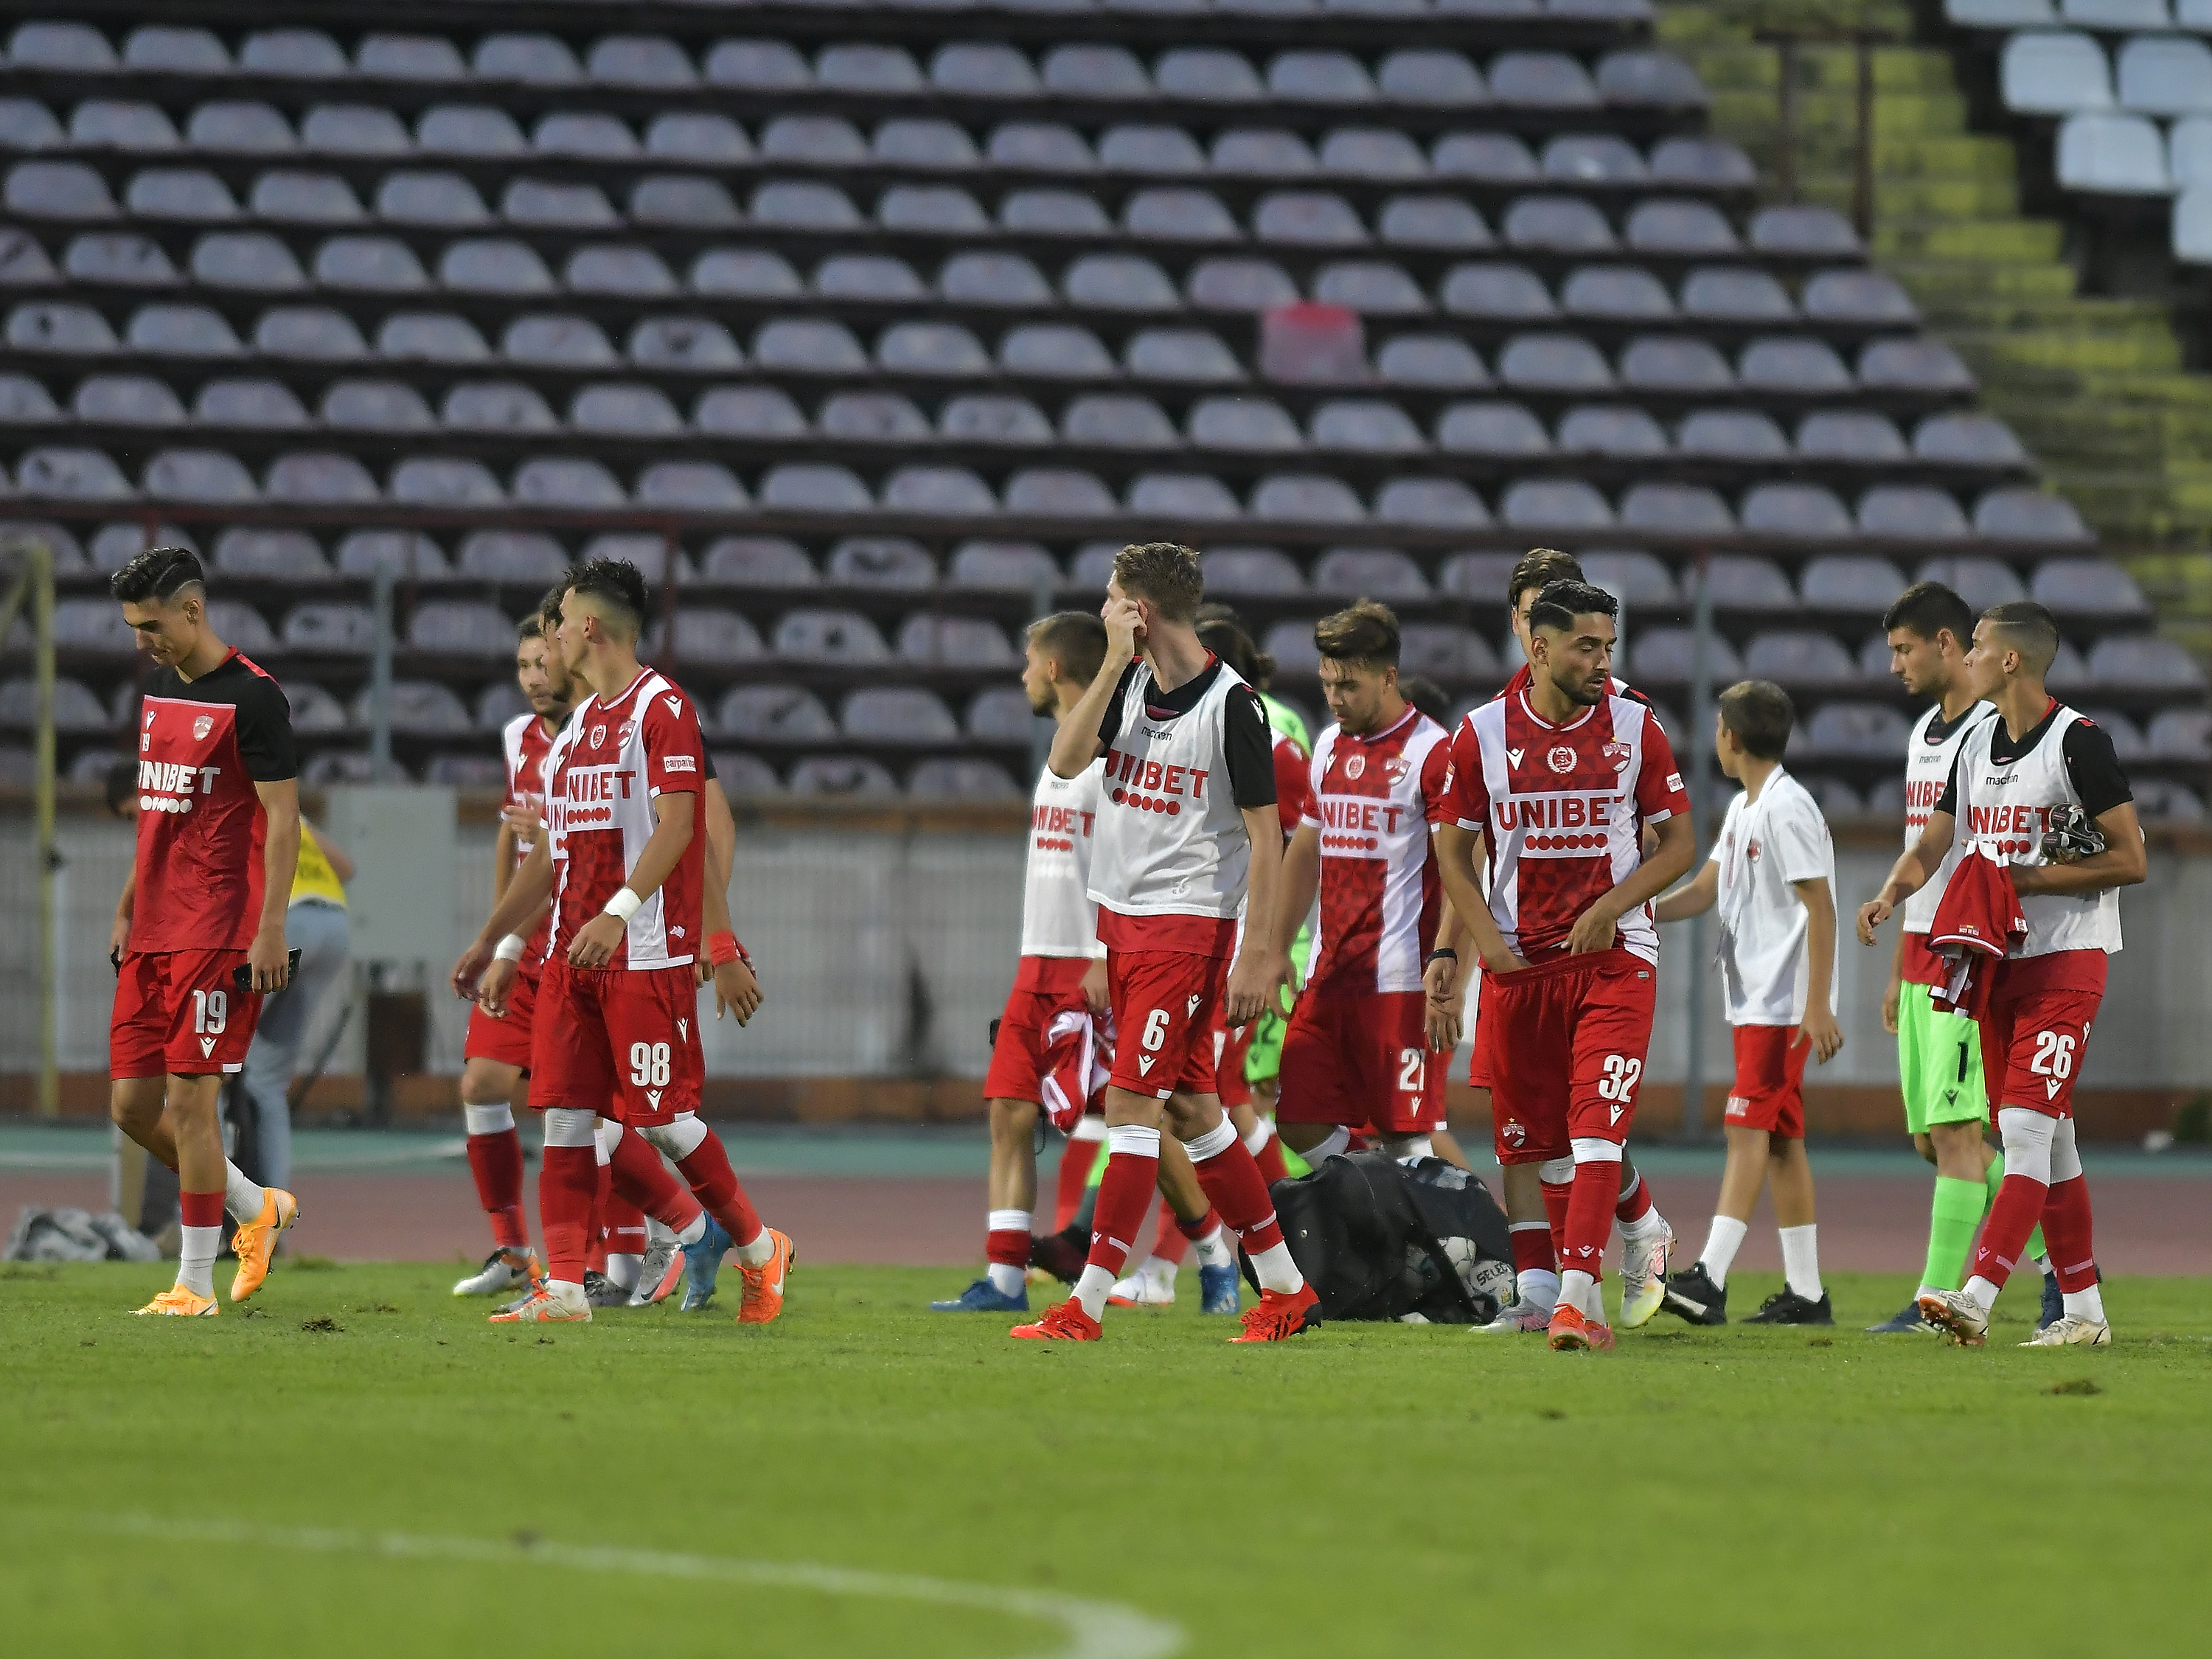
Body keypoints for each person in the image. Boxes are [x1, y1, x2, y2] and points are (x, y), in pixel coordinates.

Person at [453, 559, 787, 1326]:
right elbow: (551, 858)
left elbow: (685, 824)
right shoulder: (575, 734)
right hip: (574, 959)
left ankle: (761, 1249)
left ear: (591, 628)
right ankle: (567, 1290)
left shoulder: (661, 709)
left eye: (561, 622)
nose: (554, 635)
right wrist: (491, 940)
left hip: (644, 955)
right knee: (568, 1120)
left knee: (664, 1121)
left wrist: (627, 911)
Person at [1015, 541, 1318, 1343]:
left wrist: (1260, 953)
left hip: (1187, 931)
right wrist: (1114, 663)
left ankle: (1083, 1306)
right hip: (1126, 924)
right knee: (1194, 1108)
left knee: (1132, 1106)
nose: (1106, 610)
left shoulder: (1235, 708)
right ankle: (1286, 1288)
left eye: (1116, 599)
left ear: (1140, 610)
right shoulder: (1129, 684)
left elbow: (1267, 837)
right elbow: (1066, 758)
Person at [1857, 602, 2143, 1347]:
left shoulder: (2079, 744)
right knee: (2053, 1145)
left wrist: (2037, 877)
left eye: (1979, 645)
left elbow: (2130, 858)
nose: (1970, 655)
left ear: (2010, 660)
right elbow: (1936, 838)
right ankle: (2084, 1312)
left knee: (2019, 1129)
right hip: (1998, 964)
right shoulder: (1976, 742)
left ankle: (1977, 1294)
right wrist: (1893, 892)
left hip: (2067, 960)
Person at [1432, 580, 1694, 1352]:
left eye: (1609, 646)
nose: (1602, 660)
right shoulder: (1480, 733)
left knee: (1594, 1135)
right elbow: (1451, 849)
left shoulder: (1636, 725)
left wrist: (1614, 906)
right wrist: (1482, 943)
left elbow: (1677, 842)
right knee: (1534, 1146)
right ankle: (1582, 1269)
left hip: (1617, 960)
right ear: (1539, 647)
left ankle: (1577, 1301)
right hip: (1523, 966)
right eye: (1588, 645)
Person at [105, 546, 301, 1315]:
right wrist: (128, 901)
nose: (143, 641)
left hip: (219, 929)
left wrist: (271, 925)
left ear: (193, 609)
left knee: (192, 1106)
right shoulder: (157, 688)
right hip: (153, 925)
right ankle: (255, 1206)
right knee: (130, 1107)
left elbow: (283, 819)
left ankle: (194, 1284)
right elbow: (160, 810)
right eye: (133, 627)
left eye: (151, 624)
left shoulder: (256, 700)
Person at [1860, 583, 2054, 1335]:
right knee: (1935, 1141)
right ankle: (2063, 1269)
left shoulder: (1993, 730)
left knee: (1958, 1138)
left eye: (1905, 649)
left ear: (1949, 644)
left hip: (1964, 957)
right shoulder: (1924, 733)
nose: (1896, 665)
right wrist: (1895, 968)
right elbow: (1926, 844)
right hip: (1918, 953)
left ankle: (1935, 1296)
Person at [931, 611, 1130, 1314]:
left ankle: (1212, 1254)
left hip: (1087, 968)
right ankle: (1006, 1280)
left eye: (1027, 661)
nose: (1021, 674)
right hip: (1036, 966)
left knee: (1148, 1128)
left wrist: (1107, 952)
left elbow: (1125, 864)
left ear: (1053, 668)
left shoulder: (1109, 756)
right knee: (1009, 1116)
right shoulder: (1061, 750)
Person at [1653, 682, 1843, 1326]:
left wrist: (1817, 1006)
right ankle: (1807, 1293)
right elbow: (1707, 888)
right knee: (1783, 1143)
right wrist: (1640, 910)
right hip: (1759, 998)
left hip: (1783, 1003)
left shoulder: (1787, 808)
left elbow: (1821, 906)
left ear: (1730, 737)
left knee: (1745, 1128)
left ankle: (1710, 1275)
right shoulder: (1744, 808)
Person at [1273, 602, 1456, 1164]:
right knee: (1297, 1120)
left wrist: (1447, 969)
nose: (1334, 698)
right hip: (1328, 975)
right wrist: (1276, 943)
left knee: (1404, 1137)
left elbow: (1460, 871)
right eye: (1327, 683)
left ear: (1389, 678)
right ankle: (1393, 1212)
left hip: (1399, 981)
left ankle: (1459, 1246)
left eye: (1348, 685)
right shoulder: (1328, 745)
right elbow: (1307, 848)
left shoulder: (1434, 750)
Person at [236, 815, 352, 1194]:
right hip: (334, 926)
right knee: (266, 1082)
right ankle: (275, 1216)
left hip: (288, 925)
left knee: (211, 1060)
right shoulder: (289, 812)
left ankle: (202, 1208)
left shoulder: (232, 800)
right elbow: (346, 868)